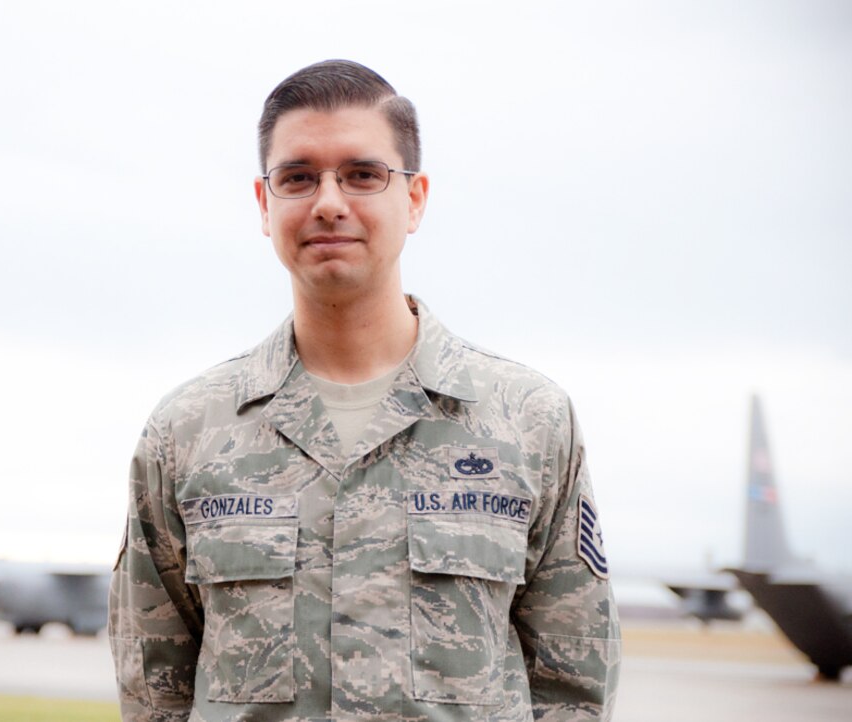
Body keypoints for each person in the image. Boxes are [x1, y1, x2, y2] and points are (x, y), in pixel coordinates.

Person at [108, 59, 620, 722]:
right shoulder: (188, 432)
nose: (327, 201)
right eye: (297, 177)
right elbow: (155, 692)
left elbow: (573, 685)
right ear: (265, 205)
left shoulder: (529, 421)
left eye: (362, 174)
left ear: (414, 198)